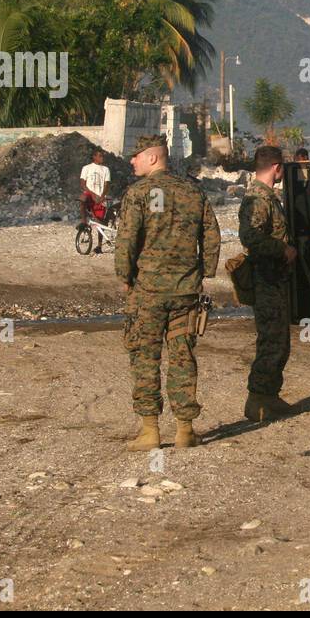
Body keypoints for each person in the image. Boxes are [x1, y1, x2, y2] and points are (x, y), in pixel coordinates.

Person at [115, 134, 221, 451]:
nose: (131, 161)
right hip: (185, 293)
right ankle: (185, 430)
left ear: (152, 157)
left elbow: (126, 240)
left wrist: (125, 276)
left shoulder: (138, 193)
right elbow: (212, 236)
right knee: (182, 358)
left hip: (147, 293)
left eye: (135, 156)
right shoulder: (193, 191)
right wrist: (203, 273)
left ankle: (150, 432)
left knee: (145, 358)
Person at [237, 145, 297, 421]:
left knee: (279, 341)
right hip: (266, 280)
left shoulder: (267, 198)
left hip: (275, 279)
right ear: (276, 168)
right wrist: (282, 250)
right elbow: (251, 237)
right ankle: (258, 399)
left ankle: (269, 396)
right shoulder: (258, 199)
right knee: (271, 341)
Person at [79, 148, 111, 225]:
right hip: (90, 195)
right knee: (82, 198)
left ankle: (100, 236)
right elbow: (83, 184)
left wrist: (102, 196)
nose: (102, 158)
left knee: (100, 223)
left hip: (100, 197)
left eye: (102, 156)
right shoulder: (86, 168)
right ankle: (83, 221)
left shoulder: (106, 169)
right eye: (100, 156)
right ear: (94, 157)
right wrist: (93, 195)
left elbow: (107, 185)